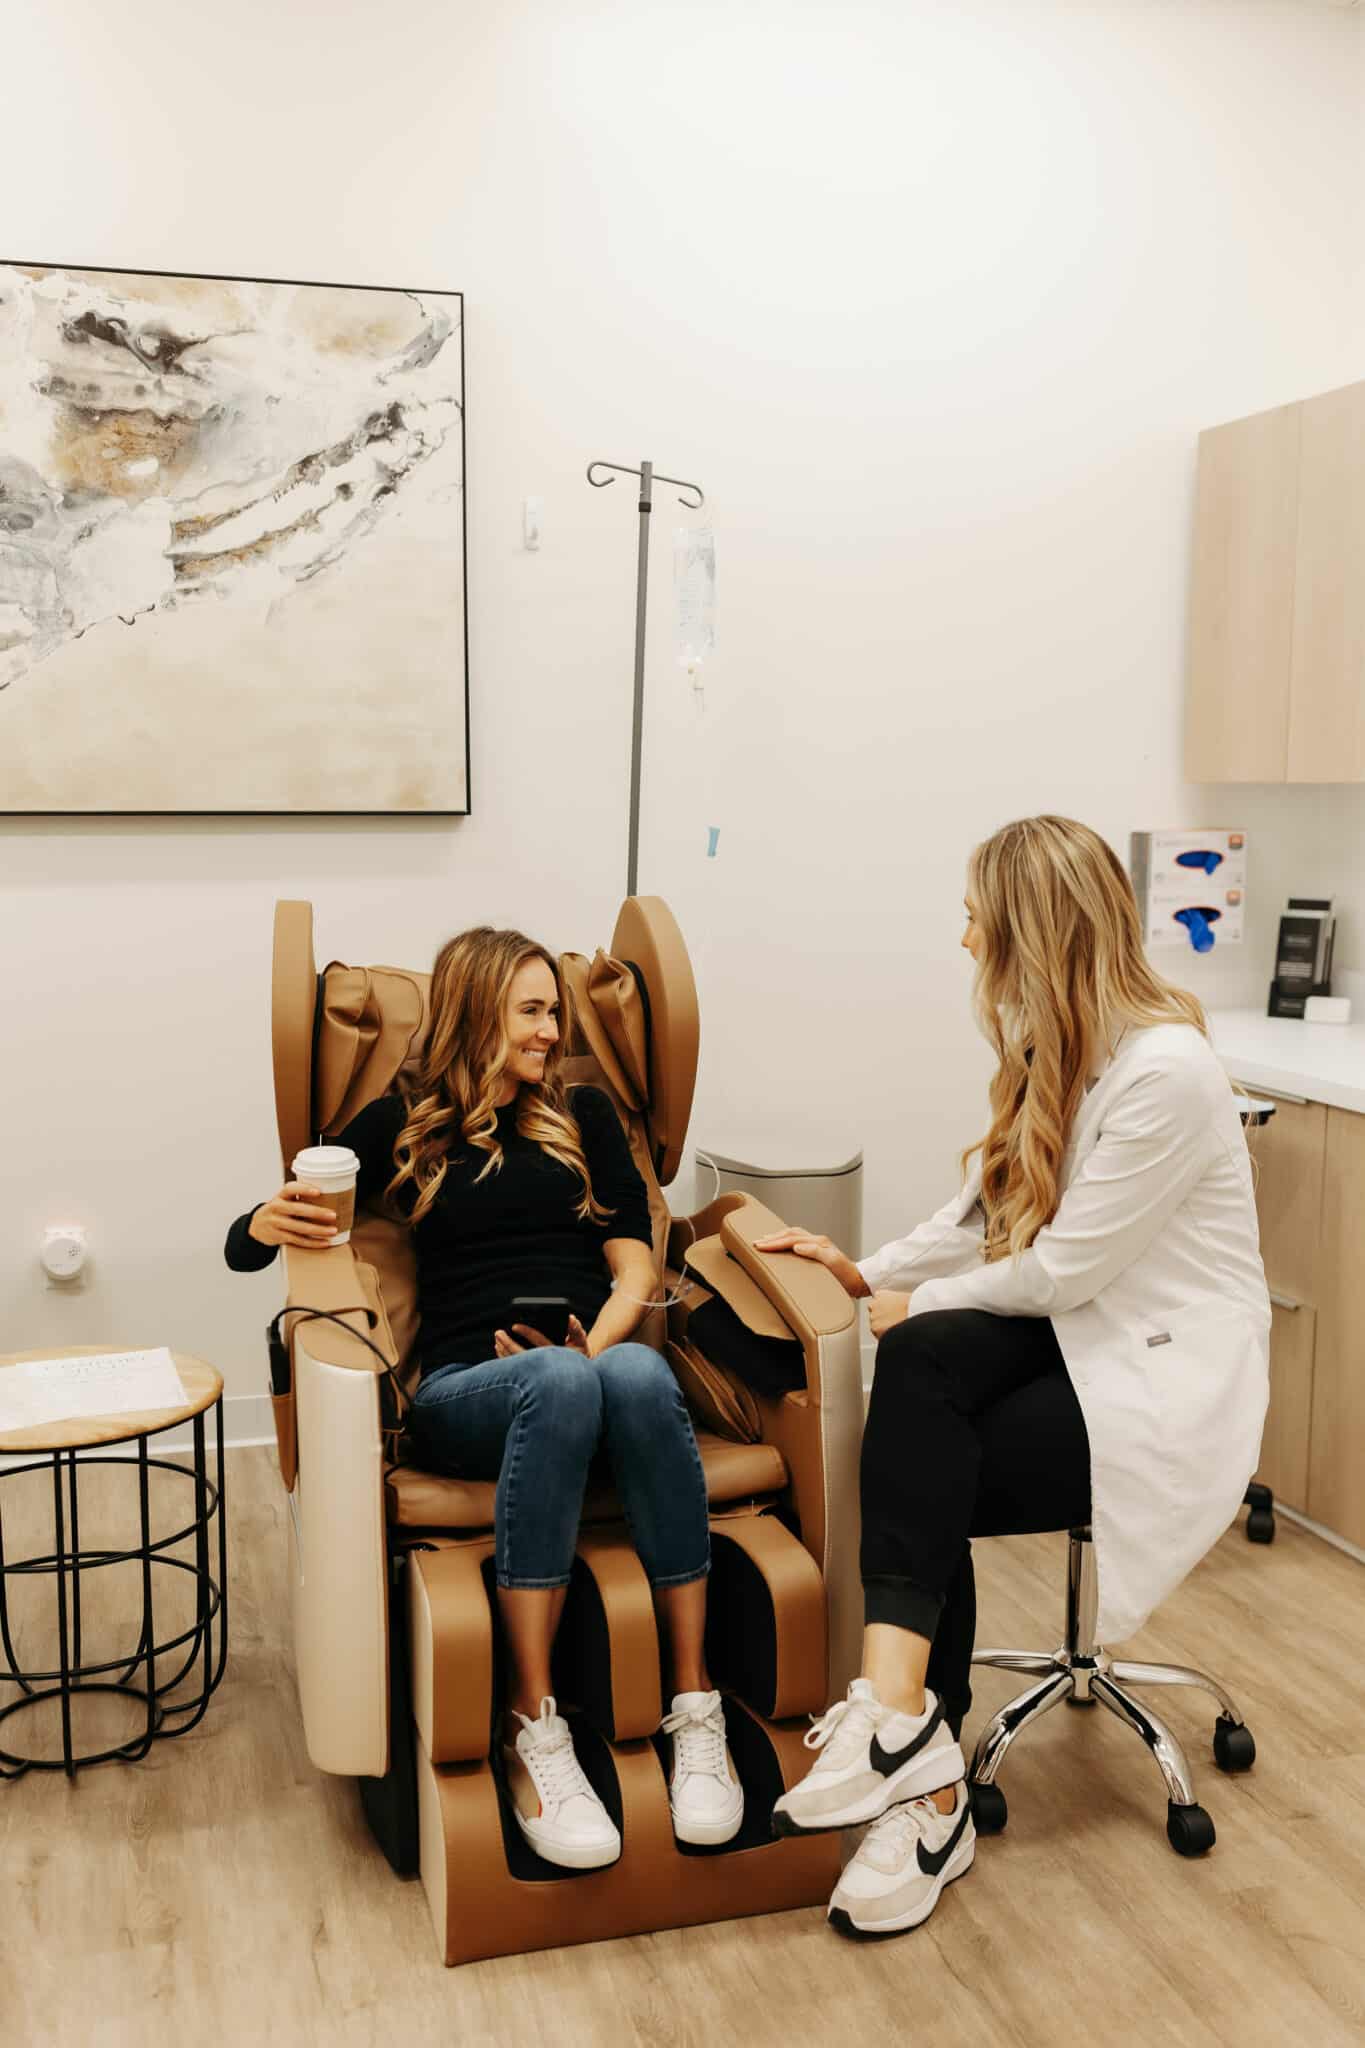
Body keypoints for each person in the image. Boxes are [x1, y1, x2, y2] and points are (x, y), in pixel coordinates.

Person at [756, 815, 1270, 1940]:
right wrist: (858, 1273)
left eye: (978, 917)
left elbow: (1062, 1268)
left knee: (925, 1440)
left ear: (1033, 933)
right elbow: (987, 1211)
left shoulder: (1167, 1073)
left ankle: (920, 1772)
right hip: (1086, 1335)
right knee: (925, 1383)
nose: (965, 937)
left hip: (1165, 1378)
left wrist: (906, 1305)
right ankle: (912, 1743)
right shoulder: (1062, 1044)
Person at [225, 925, 742, 1869]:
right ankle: (531, 1724)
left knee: (626, 1371)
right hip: (466, 1392)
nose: (553, 1033)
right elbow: (257, 1239)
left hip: (589, 1366)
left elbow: (634, 1265)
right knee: (555, 1378)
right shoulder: (402, 1124)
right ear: (476, 1013)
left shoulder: (585, 1115)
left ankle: (694, 1706)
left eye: (556, 1012)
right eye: (533, 1013)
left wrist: (602, 1341)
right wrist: (262, 1219)